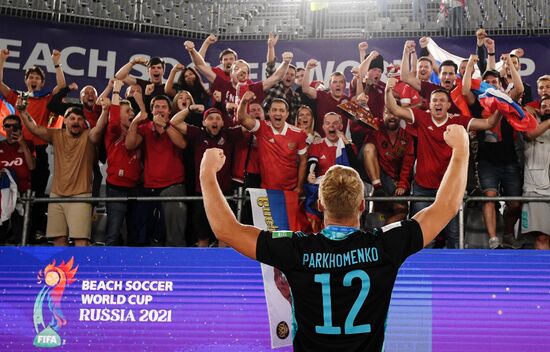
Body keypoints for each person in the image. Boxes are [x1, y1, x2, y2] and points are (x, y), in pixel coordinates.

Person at [199, 122, 470, 351]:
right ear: (362, 205)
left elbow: (226, 229)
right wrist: (461, 149)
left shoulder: (296, 249)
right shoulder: (385, 245)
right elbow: (445, 207)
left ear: (319, 205)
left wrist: (207, 173)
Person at [385, 77, 502, 248]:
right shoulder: (421, 117)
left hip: (449, 190)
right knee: (420, 236)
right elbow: (393, 109)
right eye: (434, 101)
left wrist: (501, 106)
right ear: (429, 105)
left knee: (454, 235)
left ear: (448, 105)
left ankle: (456, 274)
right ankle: (419, 273)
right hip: (423, 188)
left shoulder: (458, 121)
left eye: (442, 100)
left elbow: (489, 123)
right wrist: (388, 91)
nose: (438, 104)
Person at [18, 100, 107, 246]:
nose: (76, 122)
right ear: (65, 121)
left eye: (79, 119)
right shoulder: (56, 135)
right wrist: (22, 111)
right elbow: (34, 128)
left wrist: (105, 109)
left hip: (81, 196)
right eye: (72, 118)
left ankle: (82, 269)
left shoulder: (89, 137)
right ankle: (62, 270)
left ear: (84, 123)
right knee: (58, 240)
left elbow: (99, 127)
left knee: (81, 241)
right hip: (56, 196)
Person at [0, 114, 35, 245]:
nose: (11, 129)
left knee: (21, 236)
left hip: (22, 196)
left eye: (15, 126)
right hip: (2, 196)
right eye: (7, 126)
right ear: (3, 128)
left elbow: (32, 166)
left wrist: (22, 144)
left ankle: (20, 263)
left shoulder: (29, 145)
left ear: (20, 128)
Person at [521, 95, 550, 249]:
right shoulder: (531, 124)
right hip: (537, 189)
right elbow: (530, 135)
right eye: (544, 106)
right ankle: (545, 273)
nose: (548, 109)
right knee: (542, 237)